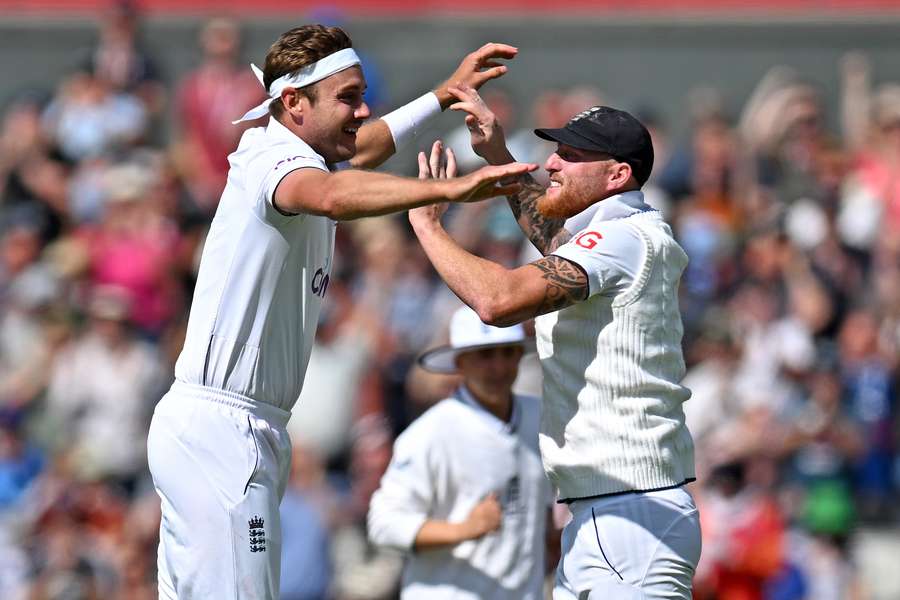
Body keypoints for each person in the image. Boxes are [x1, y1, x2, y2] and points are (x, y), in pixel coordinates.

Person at [146, 24, 535, 600]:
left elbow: (367, 148)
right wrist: (447, 192)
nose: (363, 109)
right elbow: (331, 197)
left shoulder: (303, 153)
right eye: (348, 98)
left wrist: (442, 96)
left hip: (235, 429)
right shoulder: (272, 160)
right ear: (293, 103)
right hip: (222, 432)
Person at [408, 86, 701, 599]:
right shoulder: (621, 233)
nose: (552, 162)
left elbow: (497, 301)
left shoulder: (622, 238)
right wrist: (496, 155)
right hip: (610, 511)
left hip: (629, 514)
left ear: (618, 175)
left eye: (572, 154)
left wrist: (427, 225)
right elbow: (554, 242)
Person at [368, 305, 551, 600]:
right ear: (460, 362)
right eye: (485, 355)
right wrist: (466, 529)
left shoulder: (542, 417)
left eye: (507, 352)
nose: (499, 367)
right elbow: (384, 525)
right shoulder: (429, 433)